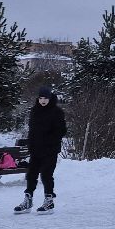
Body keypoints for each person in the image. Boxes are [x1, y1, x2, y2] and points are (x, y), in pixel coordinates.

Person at [15, 85, 67, 213]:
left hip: (50, 150)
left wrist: (49, 140)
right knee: (31, 174)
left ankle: (49, 201)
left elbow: (61, 131)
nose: (43, 100)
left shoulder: (57, 112)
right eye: (41, 98)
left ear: (50, 98)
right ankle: (28, 200)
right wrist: (31, 145)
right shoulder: (34, 111)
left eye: (45, 98)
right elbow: (32, 131)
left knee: (46, 174)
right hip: (36, 149)